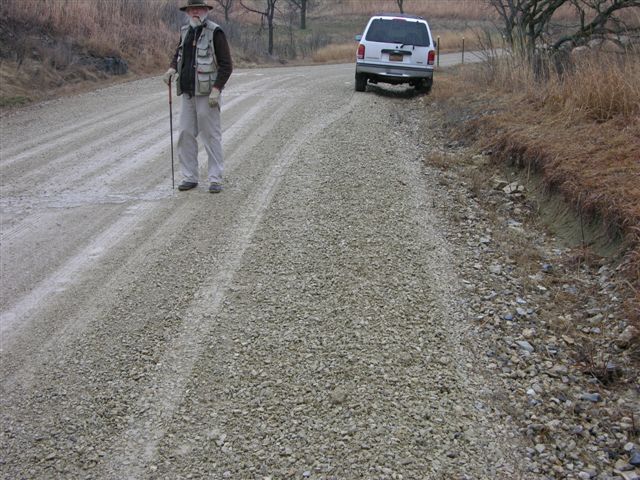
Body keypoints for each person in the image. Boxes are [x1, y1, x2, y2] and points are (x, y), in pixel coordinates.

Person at [163, 0, 233, 193]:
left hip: (207, 94)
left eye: (198, 8)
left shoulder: (215, 32)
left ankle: (215, 179)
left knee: (211, 136)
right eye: (191, 9)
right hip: (187, 93)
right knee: (185, 134)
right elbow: (178, 54)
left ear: (205, 11)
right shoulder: (186, 30)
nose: (195, 11)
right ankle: (190, 177)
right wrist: (171, 69)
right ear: (187, 12)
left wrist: (217, 89)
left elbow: (227, 65)